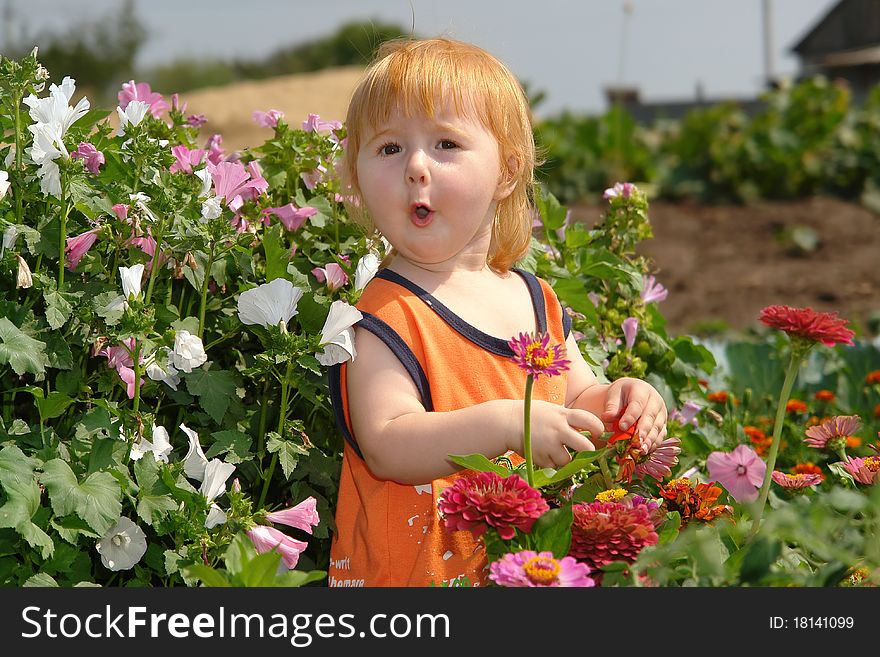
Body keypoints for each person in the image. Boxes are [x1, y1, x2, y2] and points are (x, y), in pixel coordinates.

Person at [326, 37, 668, 587]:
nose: (416, 166)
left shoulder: (535, 301)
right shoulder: (380, 317)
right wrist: (508, 423)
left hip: (519, 569)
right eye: (389, 148)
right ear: (357, 177)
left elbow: (575, 399)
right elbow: (388, 443)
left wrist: (622, 400)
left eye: (445, 144)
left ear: (507, 172)